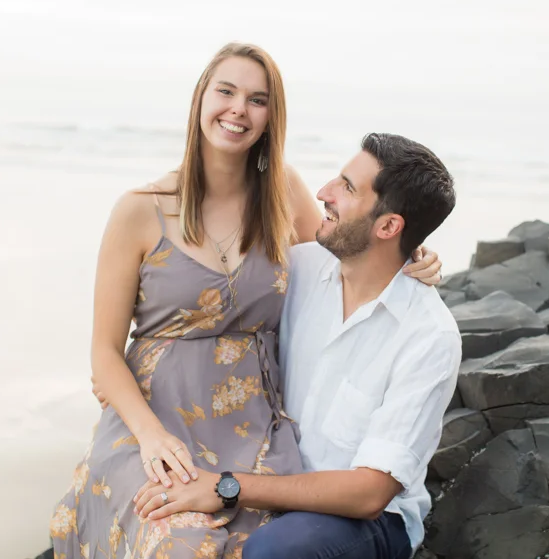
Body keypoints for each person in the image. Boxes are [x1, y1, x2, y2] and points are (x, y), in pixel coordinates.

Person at [50, 44, 442, 559]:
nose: (238, 109)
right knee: (177, 541)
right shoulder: (139, 211)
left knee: (254, 545)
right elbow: (104, 353)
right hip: (155, 421)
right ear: (200, 99)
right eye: (226, 91)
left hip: (255, 426)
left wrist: (414, 254)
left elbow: (348, 254)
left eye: (257, 100)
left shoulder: (283, 191)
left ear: (269, 118)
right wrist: (150, 438)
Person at [127, 133, 460, 559]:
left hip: (365, 520)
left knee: (275, 550)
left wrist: (225, 487)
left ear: (389, 226)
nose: (323, 193)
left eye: (347, 188)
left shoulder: (428, 336)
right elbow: (203, 310)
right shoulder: (297, 271)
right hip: (272, 472)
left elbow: (369, 493)